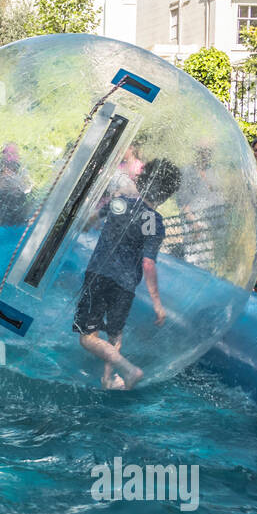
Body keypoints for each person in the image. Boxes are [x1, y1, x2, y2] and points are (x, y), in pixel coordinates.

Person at [73, 158, 181, 391]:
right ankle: (109, 380)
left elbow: (91, 219)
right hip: (126, 285)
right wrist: (157, 303)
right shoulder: (154, 220)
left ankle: (129, 370)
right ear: (167, 194)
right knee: (115, 333)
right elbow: (148, 263)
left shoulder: (120, 202)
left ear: (142, 182)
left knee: (87, 338)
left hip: (99, 275)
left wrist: (83, 225)